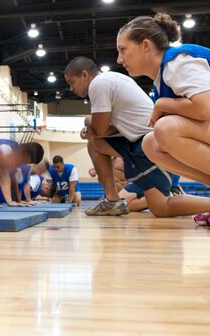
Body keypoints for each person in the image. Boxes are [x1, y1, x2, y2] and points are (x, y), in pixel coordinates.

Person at [64, 54, 210, 217]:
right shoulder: (112, 79)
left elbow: (99, 129)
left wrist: (89, 124)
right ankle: (112, 200)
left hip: (148, 143)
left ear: (84, 75)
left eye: (71, 82)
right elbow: (105, 131)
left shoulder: (98, 83)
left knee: (161, 208)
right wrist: (93, 131)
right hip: (136, 141)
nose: (71, 88)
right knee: (95, 143)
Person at [113, 13, 210, 223]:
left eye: (123, 50)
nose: (119, 59)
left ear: (145, 45)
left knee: (166, 129)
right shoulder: (162, 78)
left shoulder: (178, 62)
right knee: (151, 144)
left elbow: (205, 108)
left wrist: (162, 104)